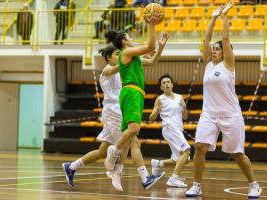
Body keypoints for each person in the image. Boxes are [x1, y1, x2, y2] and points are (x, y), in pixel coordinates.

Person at [185, 2, 262, 198]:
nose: (214, 50)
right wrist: (212, 17)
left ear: (226, 52)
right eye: (214, 49)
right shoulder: (208, 65)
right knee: (200, 146)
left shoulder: (228, 64)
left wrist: (225, 17)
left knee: (237, 154)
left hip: (230, 115)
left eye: (217, 49)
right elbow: (206, 39)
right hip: (209, 114)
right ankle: (196, 185)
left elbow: (225, 38)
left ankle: (254, 184)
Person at [62, 45, 161, 191]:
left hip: (118, 109)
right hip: (113, 110)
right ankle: (144, 177)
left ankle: (71, 167)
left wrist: (147, 55)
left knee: (103, 151)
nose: (120, 56)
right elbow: (122, 65)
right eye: (116, 54)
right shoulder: (107, 70)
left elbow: (147, 61)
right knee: (132, 141)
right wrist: (137, 56)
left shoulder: (124, 68)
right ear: (109, 57)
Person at [103, 15, 168, 190]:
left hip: (137, 94)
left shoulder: (135, 58)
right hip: (131, 92)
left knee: (131, 135)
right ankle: (113, 152)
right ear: (124, 42)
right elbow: (149, 46)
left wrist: (161, 47)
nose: (132, 39)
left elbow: (153, 60)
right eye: (129, 37)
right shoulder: (126, 53)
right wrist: (152, 25)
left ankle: (120, 170)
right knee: (134, 130)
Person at [149, 74, 190, 188]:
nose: (166, 84)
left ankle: (157, 164)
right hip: (169, 127)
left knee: (182, 159)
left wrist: (185, 108)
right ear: (161, 87)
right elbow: (151, 118)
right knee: (186, 151)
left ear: (172, 84)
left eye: (168, 82)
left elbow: (185, 117)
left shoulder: (179, 97)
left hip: (178, 128)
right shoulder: (160, 99)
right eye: (164, 83)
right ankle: (174, 178)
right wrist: (156, 110)